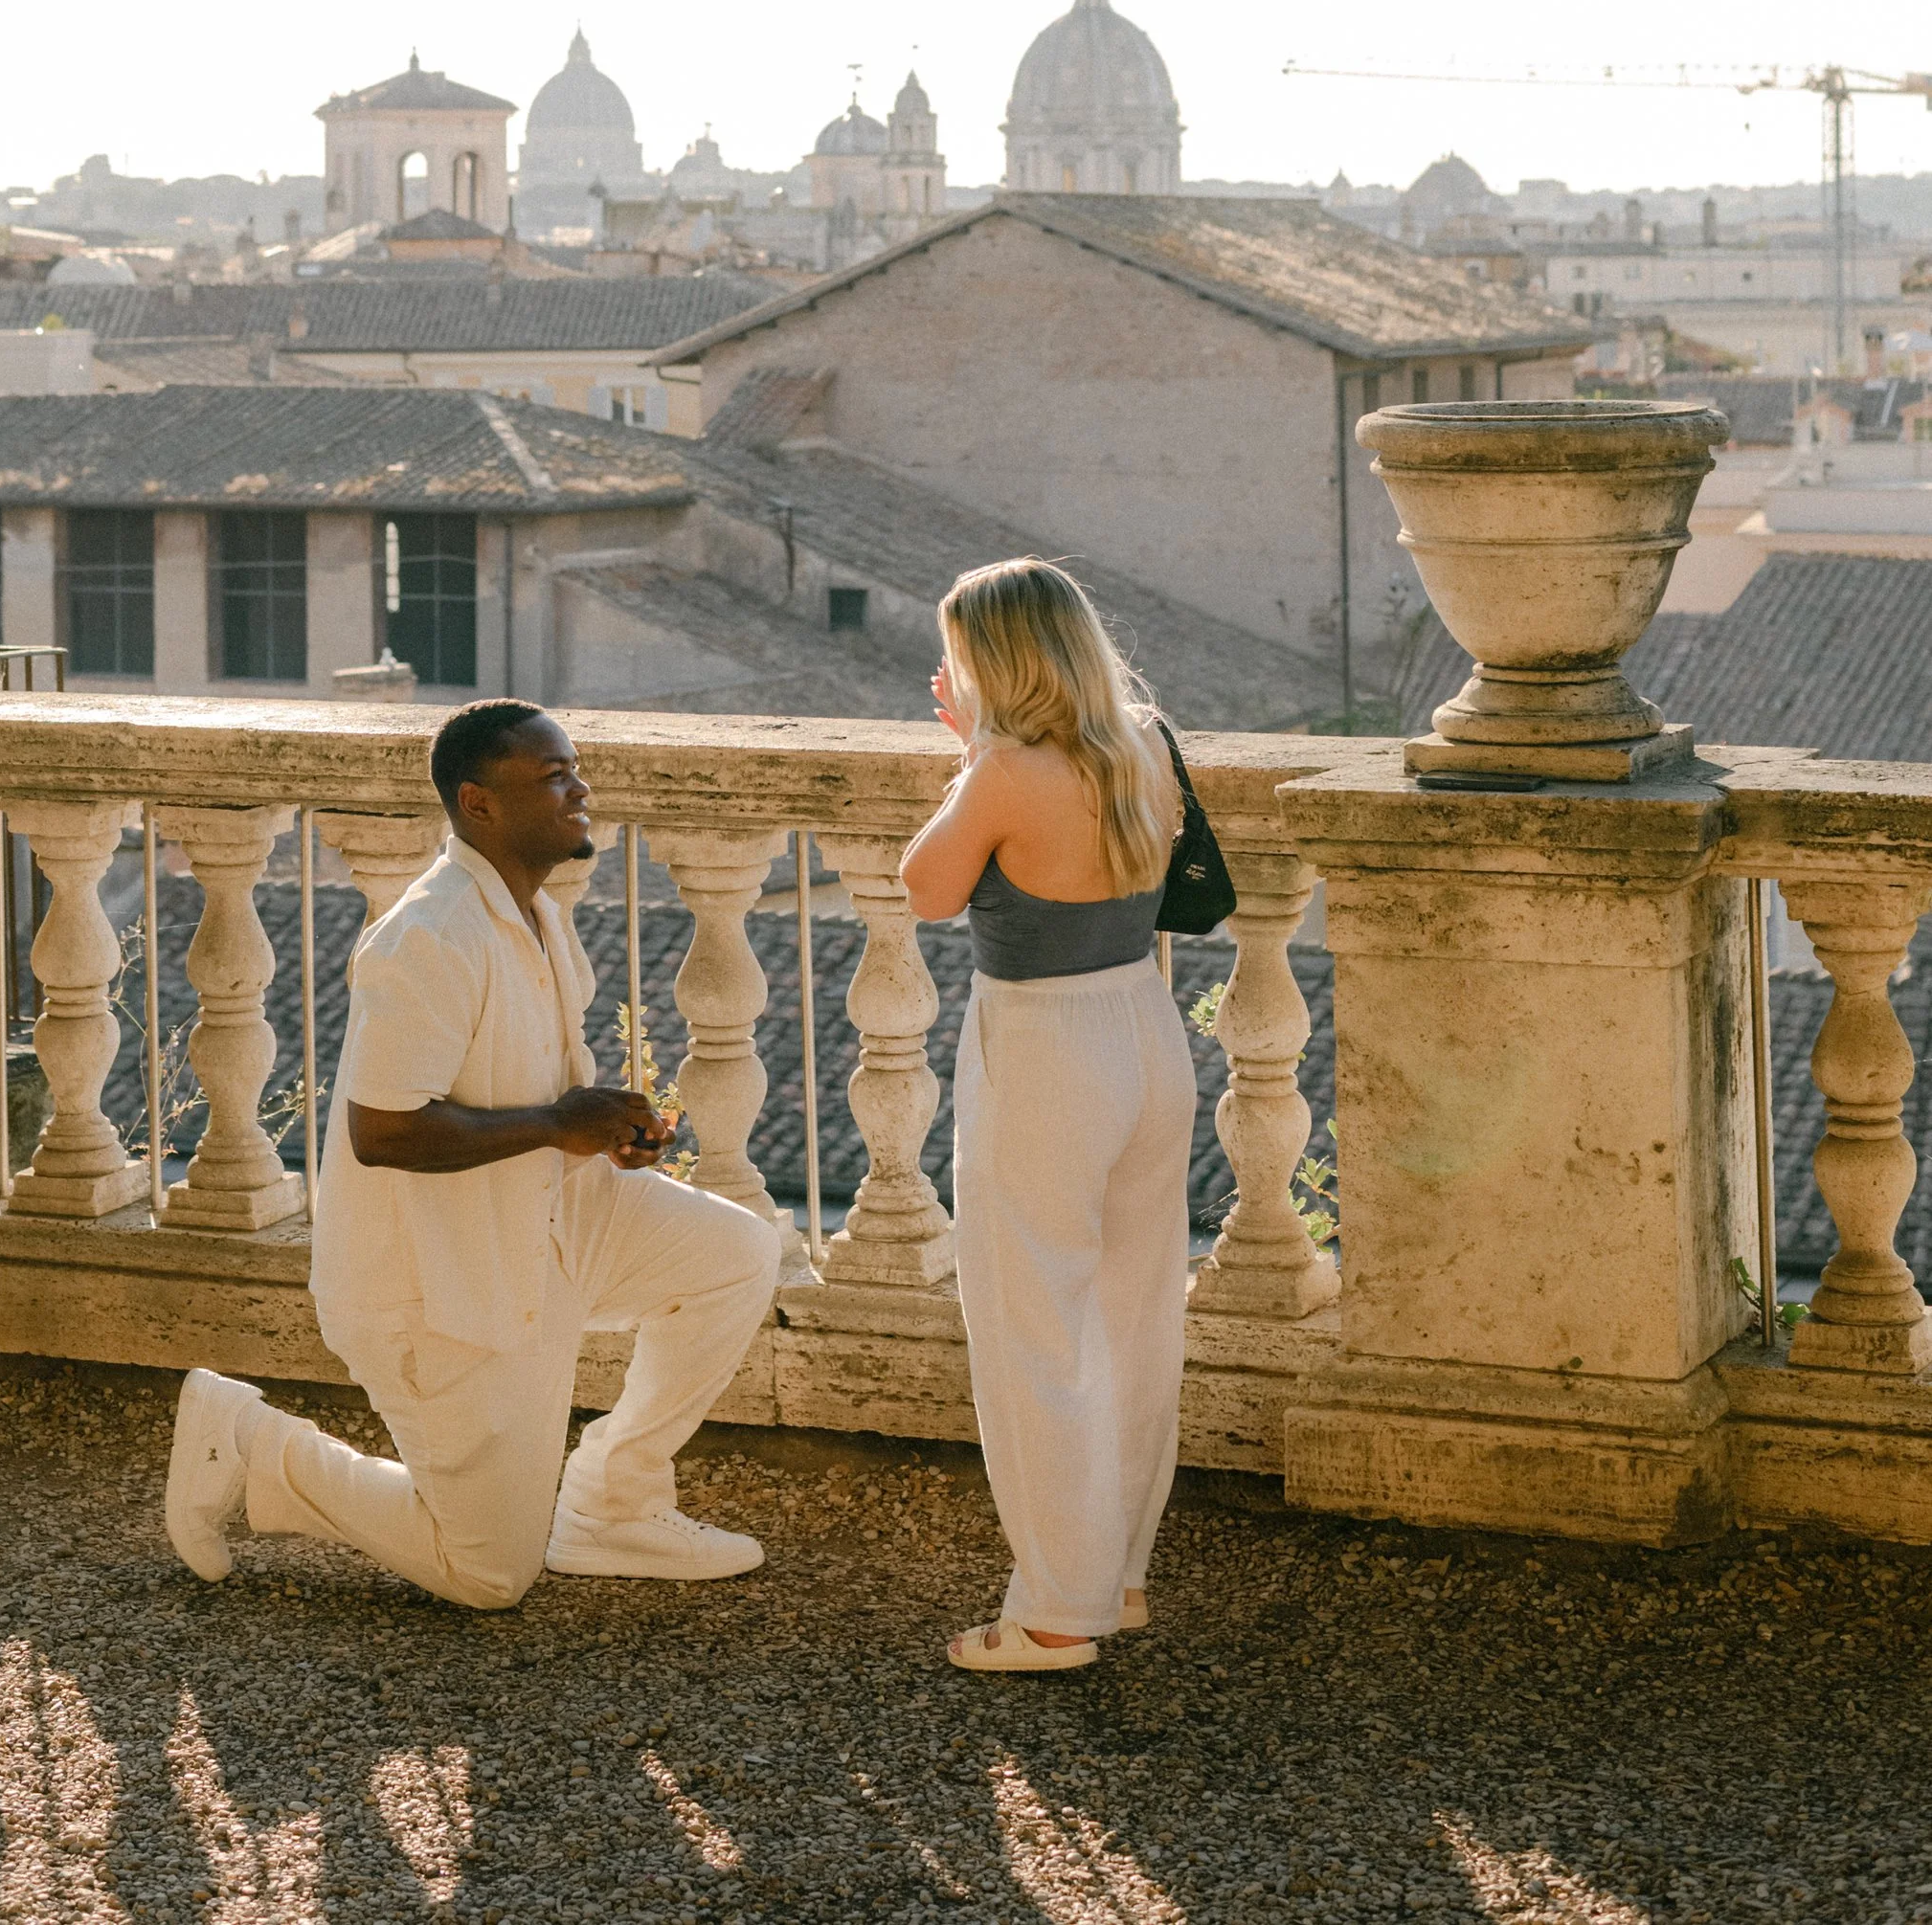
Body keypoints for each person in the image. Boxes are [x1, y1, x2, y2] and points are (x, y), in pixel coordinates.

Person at [165, 698, 782, 1611]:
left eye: (575, 768)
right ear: (479, 802)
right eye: (553, 776)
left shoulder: (536, 915)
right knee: (489, 1573)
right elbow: (383, 1132)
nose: (580, 791)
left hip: (550, 1223)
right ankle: (249, 1439)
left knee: (739, 1252)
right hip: (441, 1286)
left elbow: (538, 1093)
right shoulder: (428, 937)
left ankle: (611, 1503)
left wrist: (605, 1127)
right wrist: (554, 1124)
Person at [901, 557, 1195, 1675]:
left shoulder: (1005, 770)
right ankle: (1112, 1570)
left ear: (990, 660)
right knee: (1132, 1312)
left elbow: (926, 887)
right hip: (1143, 1030)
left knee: (1035, 1326)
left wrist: (974, 758)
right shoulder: (1144, 742)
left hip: (1043, 1050)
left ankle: (1059, 1612)